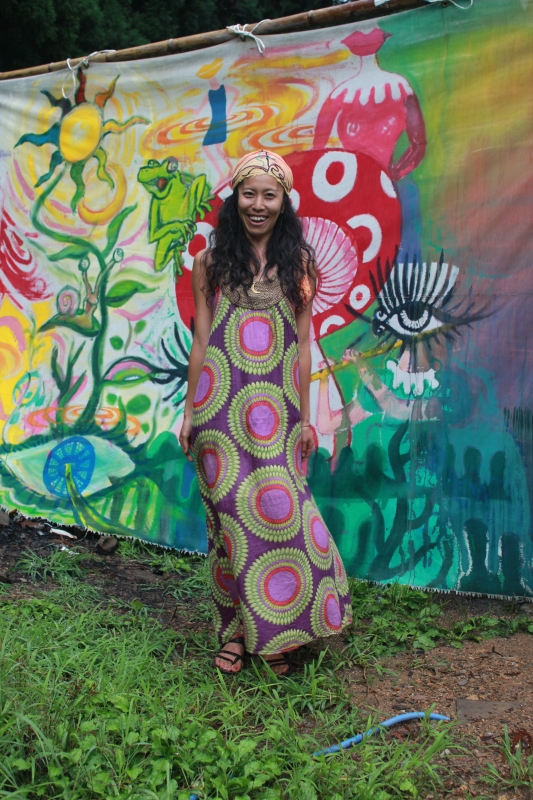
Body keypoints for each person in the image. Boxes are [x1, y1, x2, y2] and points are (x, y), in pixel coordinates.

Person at [179, 149, 352, 675]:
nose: (258, 204)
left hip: (275, 413)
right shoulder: (210, 263)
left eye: (268, 195)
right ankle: (236, 633)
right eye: (248, 193)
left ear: (283, 201)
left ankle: (279, 629)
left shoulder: (299, 265)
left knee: (280, 511)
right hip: (218, 410)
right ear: (236, 198)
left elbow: (303, 345)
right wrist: (188, 412)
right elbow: (202, 339)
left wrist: (306, 418)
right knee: (229, 523)